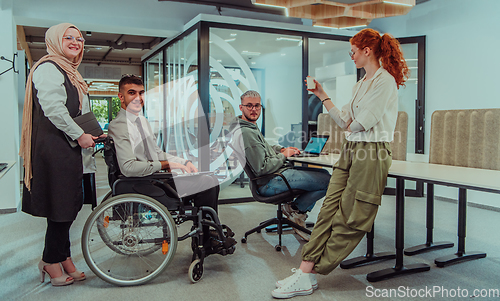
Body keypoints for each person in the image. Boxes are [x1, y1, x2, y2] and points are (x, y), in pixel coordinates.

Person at [271, 28, 409, 298]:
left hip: (372, 151)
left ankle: (309, 269)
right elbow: (345, 122)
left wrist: (348, 124)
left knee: (351, 216)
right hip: (352, 148)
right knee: (328, 209)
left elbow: (356, 123)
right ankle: (305, 271)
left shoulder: (385, 81)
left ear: (367, 50)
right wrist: (322, 94)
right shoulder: (361, 84)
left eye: (353, 52)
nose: (352, 56)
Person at [108, 74, 235, 254]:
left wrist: (183, 162)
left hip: (154, 177)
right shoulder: (119, 125)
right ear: (121, 97)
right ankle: (205, 239)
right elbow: (128, 168)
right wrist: (167, 165)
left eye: (141, 93)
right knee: (208, 184)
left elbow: (157, 153)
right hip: (142, 182)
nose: (138, 98)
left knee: (209, 179)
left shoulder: (142, 121)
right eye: (131, 93)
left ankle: (207, 232)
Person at [20, 23, 99, 286]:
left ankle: (62, 256)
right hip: (55, 149)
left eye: (79, 38)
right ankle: (50, 261)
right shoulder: (48, 68)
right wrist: (79, 135)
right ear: (55, 40)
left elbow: (75, 111)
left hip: (67, 150)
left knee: (67, 206)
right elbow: (54, 109)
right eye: (69, 37)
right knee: (61, 208)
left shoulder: (69, 71)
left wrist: (90, 133)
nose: (76, 42)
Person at [229, 90, 331, 241]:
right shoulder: (246, 133)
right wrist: (284, 155)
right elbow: (262, 168)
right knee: (328, 180)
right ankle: (297, 211)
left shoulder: (248, 126)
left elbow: (263, 147)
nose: (253, 109)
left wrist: (281, 149)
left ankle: (295, 210)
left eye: (257, 106)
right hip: (270, 181)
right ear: (241, 107)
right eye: (249, 106)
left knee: (322, 173)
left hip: (274, 176)